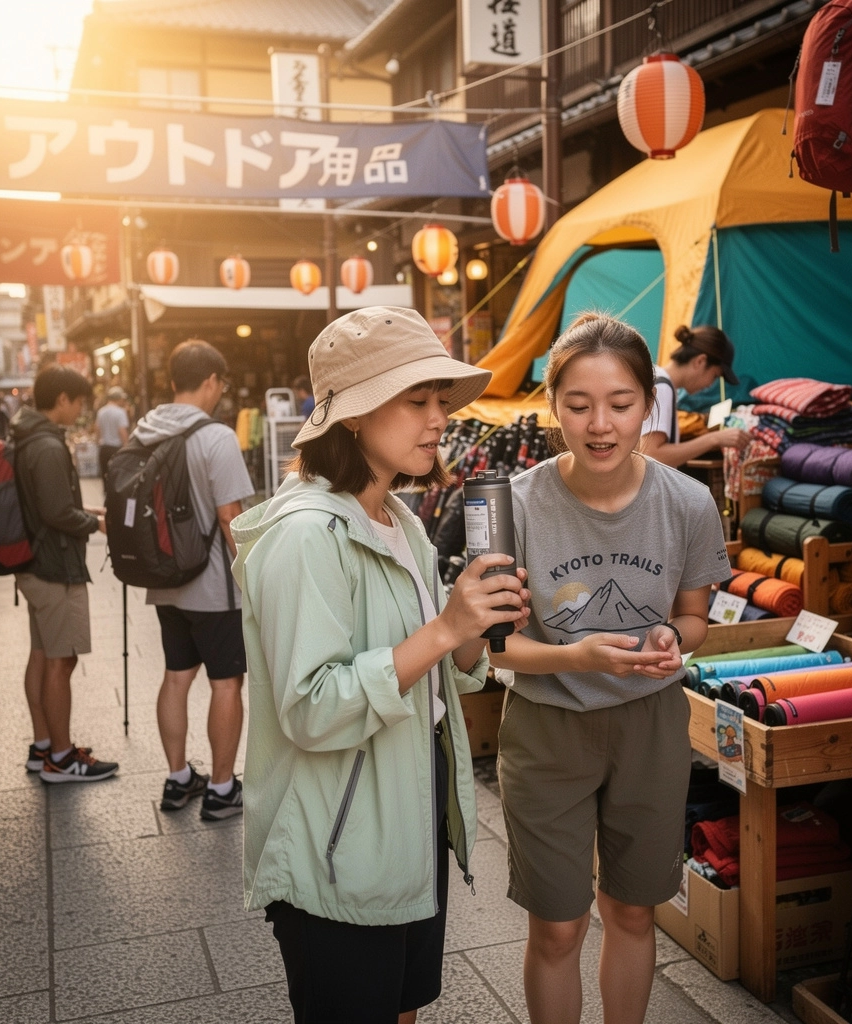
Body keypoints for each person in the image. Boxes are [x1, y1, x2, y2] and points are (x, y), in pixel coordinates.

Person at [230, 306, 529, 1024]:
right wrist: (443, 627)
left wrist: (471, 627)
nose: (439, 420)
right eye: (417, 400)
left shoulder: (404, 522)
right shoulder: (305, 537)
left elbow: (439, 671)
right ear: (355, 415)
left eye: (442, 401)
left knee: (403, 1006)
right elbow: (311, 706)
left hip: (411, 801)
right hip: (337, 827)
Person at [491, 313, 732, 1024]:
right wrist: (575, 655)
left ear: (649, 406)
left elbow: (695, 619)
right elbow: (498, 648)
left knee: (632, 912)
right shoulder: (514, 505)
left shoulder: (688, 503)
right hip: (547, 728)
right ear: (551, 405)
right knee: (558, 925)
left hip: (651, 725)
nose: (600, 425)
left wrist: (672, 639)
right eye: (578, 404)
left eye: (621, 405)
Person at [132, 340, 253, 819]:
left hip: (163, 578)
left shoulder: (145, 431)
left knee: (176, 677)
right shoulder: (216, 437)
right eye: (220, 385)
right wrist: (253, 577)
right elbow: (230, 519)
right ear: (211, 381)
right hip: (211, 588)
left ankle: (177, 778)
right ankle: (222, 789)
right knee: (227, 683)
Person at [11, 365, 119, 782]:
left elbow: (46, 504)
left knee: (41, 655)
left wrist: (89, 511)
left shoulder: (25, 436)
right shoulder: (48, 446)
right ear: (61, 400)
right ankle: (61, 756)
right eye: (77, 402)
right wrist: (96, 524)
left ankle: (43, 745)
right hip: (54, 567)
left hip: (33, 563)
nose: (79, 410)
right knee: (62, 660)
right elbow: (57, 512)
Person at [639, 324, 750, 466]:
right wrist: (714, 439)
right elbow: (651, 455)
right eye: (715, 376)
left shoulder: (658, 379)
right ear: (700, 361)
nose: (710, 384)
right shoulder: (662, 388)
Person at [95, 385, 130, 486]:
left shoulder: (101, 411)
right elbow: (122, 431)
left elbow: (97, 429)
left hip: (104, 448)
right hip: (116, 450)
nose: (123, 401)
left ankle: (106, 496)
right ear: (118, 399)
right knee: (116, 479)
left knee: (105, 477)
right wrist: (127, 447)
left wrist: (98, 443)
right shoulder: (120, 412)